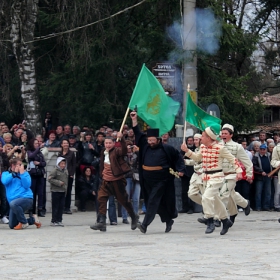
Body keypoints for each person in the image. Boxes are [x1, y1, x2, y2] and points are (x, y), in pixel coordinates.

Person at [130, 111, 185, 234]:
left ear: (158, 139)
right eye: (149, 140)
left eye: (152, 140)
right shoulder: (145, 146)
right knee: (156, 203)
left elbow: (178, 158)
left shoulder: (167, 148)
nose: (150, 142)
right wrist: (134, 120)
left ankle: (144, 225)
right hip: (147, 179)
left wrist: (180, 170)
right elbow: (138, 134)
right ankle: (168, 220)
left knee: (153, 201)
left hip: (162, 180)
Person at [181, 127, 243, 235]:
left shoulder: (220, 148)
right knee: (216, 200)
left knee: (206, 197)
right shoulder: (203, 147)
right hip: (205, 177)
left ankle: (209, 220)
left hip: (216, 176)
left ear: (209, 138)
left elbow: (233, 159)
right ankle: (225, 220)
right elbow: (197, 158)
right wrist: (187, 151)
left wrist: (238, 171)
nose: (201, 138)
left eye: (203, 136)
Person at [90, 132, 139, 232]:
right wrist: (102, 174)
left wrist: (121, 139)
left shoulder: (116, 151)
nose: (108, 145)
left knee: (123, 201)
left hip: (117, 180)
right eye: (106, 143)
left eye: (109, 143)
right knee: (101, 198)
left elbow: (124, 151)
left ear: (113, 143)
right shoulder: (103, 151)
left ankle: (134, 217)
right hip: (106, 180)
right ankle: (102, 222)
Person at [1, 158, 41, 230]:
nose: (21, 166)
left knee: (13, 204)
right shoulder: (6, 173)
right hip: (13, 202)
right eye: (19, 165)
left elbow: (27, 185)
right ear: (13, 165)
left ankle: (24, 222)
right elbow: (4, 181)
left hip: (26, 199)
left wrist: (22, 175)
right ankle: (32, 220)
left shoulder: (25, 174)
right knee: (12, 225)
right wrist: (14, 174)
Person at [27, 139, 46, 217]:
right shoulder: (29, 151)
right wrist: (38, 148)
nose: (37, 145)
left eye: (38, 144)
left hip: (40, 174)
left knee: (41, 193)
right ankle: (31, 210)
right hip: (33, 175)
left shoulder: (40, 153)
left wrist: (39, 163)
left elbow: (44, 163)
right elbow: (31, 156)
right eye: (35, 143)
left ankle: (40, 209)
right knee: (32, 193)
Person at [48, 157, 68, 226]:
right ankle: (53, 221)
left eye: (64, 164)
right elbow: (50, 179)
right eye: (61, 164)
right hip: (56, 191)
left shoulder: (65, 171)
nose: (63, 165)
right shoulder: (55, 170)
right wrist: (59, 183)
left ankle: (59, 220)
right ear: (58, 164)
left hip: (63, 191)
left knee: (61, 207)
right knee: (55, 206)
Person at [58, 139, 76, 214]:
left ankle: (67, 208)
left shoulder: (71, 153)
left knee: (68, 192)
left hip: (69, 175)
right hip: (61, 175)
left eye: (67, 143)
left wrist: (72, 174)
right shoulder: (59, 153)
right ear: (61, 145)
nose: (66, 145)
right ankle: (61, 207)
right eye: (64, 143)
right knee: (61, 191)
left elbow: (74, 164)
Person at [252, 143, 272, 211]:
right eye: (261, 149)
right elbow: (254, 166)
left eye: (264, 149)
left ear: (266, 150)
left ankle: (266, 206)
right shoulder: (256, 156)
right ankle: (258, 207)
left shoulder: (269, 156)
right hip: (259, 177)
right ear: (259, 150)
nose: (262, 151)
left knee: (268, 192)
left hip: (268, 175)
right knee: (258, 192)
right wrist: (261, 171)